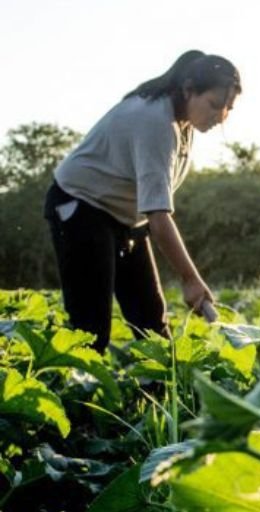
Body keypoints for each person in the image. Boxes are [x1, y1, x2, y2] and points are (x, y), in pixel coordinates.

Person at [44, 50, 241, 352]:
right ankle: (74, 395)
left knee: (150, 321)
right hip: (80, 207)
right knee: (91, 326)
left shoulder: (184, 121)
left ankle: (157, 396)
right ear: (189, 89)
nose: (220, 116)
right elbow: (159, 217)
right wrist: (190, 279)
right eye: (214, 105)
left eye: (228, 108)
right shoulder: (154, 121)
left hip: (126, 218)